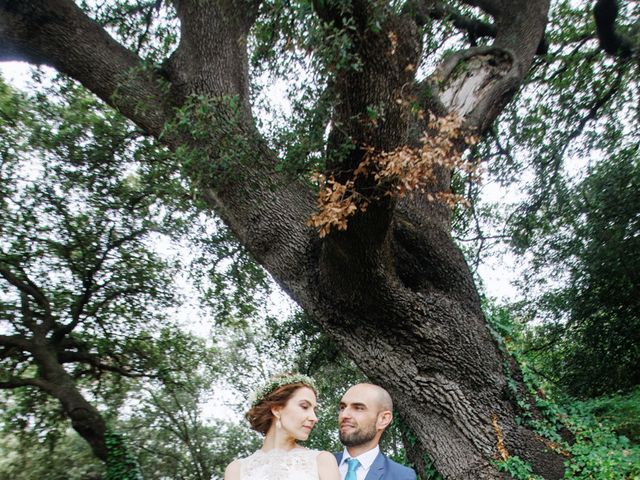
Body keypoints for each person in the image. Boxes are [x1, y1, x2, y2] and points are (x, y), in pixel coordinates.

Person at [224, 372, 340, 480]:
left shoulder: (322, 461)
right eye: (304, 407)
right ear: (277, 410)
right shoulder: (236, 470)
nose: (314, 418)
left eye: (314, 410)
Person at [335, 383, 417, 480]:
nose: (344, 415)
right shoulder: (317, 464)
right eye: (342, 408)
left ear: (383, 419)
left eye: (358, 408)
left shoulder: (401, 476)